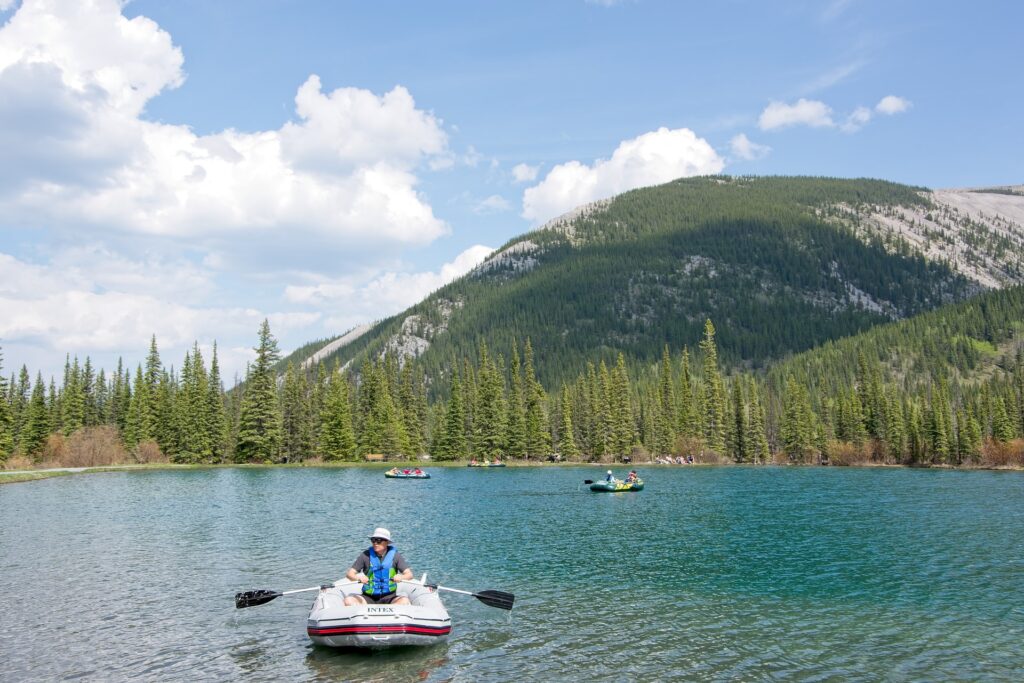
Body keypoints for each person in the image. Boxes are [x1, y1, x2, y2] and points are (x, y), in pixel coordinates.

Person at [343, 527, 414, 606]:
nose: (375, 543)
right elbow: (350, 574)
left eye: (379, 540)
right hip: (368, 597)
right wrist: (359, 578)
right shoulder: (365, 555)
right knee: (348, 601)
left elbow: (409, 575)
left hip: (390, 597)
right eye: (373, 540)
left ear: (387, 542)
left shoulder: (396, 556)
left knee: (404, 601)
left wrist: (401, 577)